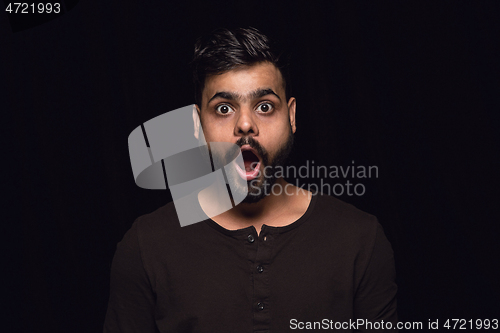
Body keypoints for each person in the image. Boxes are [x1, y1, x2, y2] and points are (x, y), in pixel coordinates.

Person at [103, 27, 397, 332]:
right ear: (196, 125)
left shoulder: (360, 239)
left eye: (265, 106)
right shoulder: (145, 246)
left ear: (292, 117)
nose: (245, 124)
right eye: (224, 108)